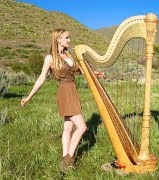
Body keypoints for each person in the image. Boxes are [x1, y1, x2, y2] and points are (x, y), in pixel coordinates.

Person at [21, 29, 104, 171]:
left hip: (73, 91)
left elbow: (81, 71)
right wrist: (29, 96)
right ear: (58, 39)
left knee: (68, 127)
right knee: (82, 127)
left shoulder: (68, 55)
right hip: (64, 92)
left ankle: (64, 159)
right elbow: (41, 78)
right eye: (67, 38)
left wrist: (96, 73)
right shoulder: (50, 58)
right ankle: (68, 160)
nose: (69, 40)